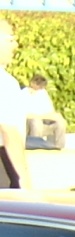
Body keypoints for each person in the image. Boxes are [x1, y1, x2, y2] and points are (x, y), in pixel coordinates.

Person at [0, 17, 32, 189]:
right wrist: (23, 176)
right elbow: (8, 130)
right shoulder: (5, 82)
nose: (15, 46)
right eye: (10, 39)